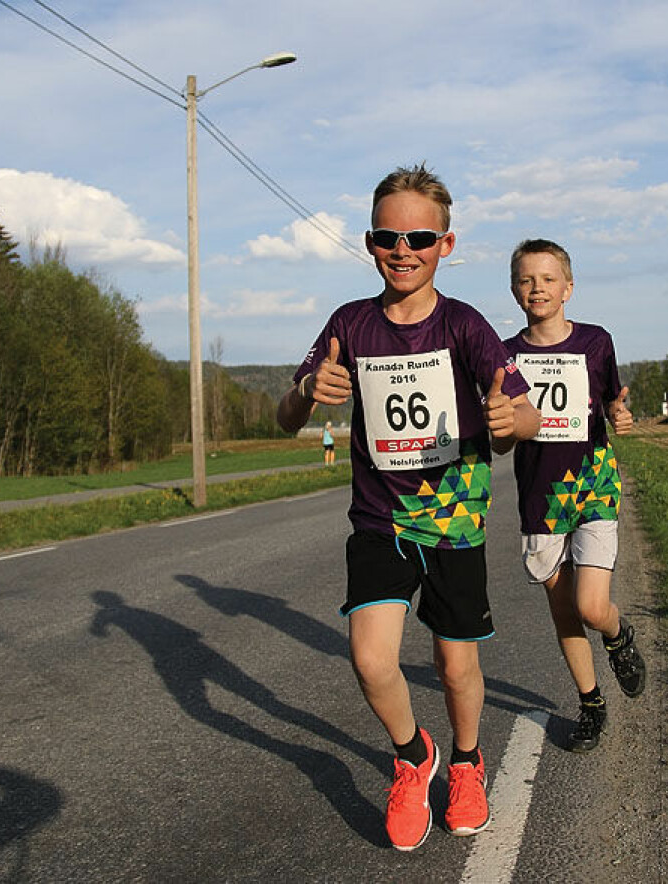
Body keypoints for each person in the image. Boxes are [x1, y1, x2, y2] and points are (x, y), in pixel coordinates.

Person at [277, 164, 539, 851]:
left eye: (419, 237)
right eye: (385, 237)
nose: (402, 250)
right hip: (380, 522)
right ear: (369, 243)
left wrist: (511, 423)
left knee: (456, 667)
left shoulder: (466, 325)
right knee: (371, 660)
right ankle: (410, 754)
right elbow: (285, 415)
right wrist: (308, 390)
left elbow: (528, 414)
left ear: (445, 245)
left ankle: (466, 761)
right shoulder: (349, 322)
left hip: (453, 524)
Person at [503, 238, 646, 753]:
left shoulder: (596, 342)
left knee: (590, 605)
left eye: (547, 278)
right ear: (515, 290)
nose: (536, 288)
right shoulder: (506, 355)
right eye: (525, 279)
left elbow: (611, 403)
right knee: (564, 610)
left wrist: (622, 418)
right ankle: (590, 703)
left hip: (592, 482)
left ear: (568, 287)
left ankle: (617, 634)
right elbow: (501, 434)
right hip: (540, 496)